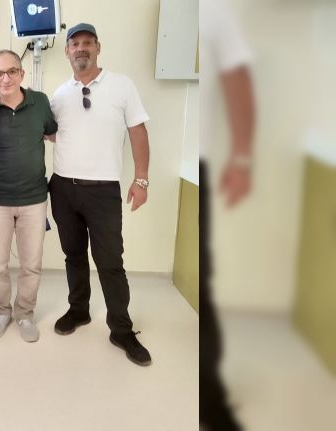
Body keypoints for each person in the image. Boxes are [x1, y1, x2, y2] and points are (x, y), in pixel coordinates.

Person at [48, 23, 152, 366]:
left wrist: (141, 180)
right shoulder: (59, 94)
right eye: (74, 43)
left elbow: (138, 132)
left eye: (87, 43)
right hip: (63, 188)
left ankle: (121, 328)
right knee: (73, 255)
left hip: (103, 191)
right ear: (67, 51)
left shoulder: (122, 86)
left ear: (97, 48)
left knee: (110, 262)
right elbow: (54, 133)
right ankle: (79, 310)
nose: (81, 48)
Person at [0, 50, 57, 342]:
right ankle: (2, 312)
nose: (5, 79)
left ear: (22, 74)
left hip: (34, 199)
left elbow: (51, 132)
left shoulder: (40, 102)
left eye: (11, 71)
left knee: (31, 264)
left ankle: (25, 314)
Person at [200, 0, 255, 429]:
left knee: (205, 283)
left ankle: (213, 401)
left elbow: (238, 80)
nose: (80, 48)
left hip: (210, 165)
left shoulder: (215, 11)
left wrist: (242, 157)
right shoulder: (64, 93)